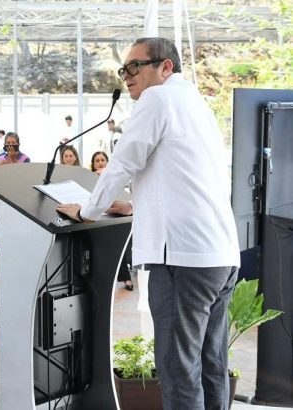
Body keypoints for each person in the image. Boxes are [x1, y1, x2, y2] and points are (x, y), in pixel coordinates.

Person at [56, 37, 240, 409]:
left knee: (177, 368)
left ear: (165, 66)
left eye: (134, 67)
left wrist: (88, 211)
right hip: (218, 254)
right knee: (210, 364)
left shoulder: (158, 98)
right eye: (123, 69)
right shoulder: (195, 102)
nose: (127, 76)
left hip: (183, 261)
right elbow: (186, 178)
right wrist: (135, 205)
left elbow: (122, 162)